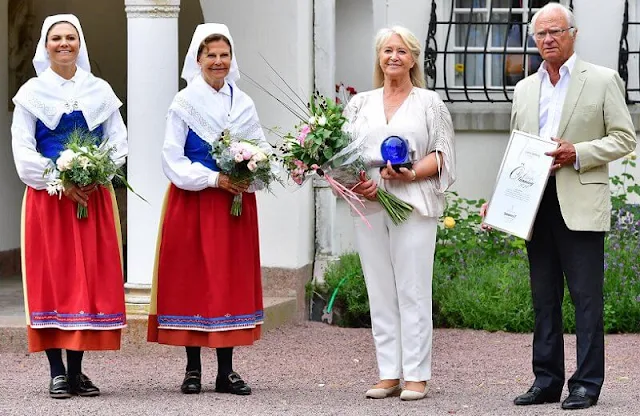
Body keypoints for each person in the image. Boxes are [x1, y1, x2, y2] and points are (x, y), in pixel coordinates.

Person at [482, 3, 636, 410]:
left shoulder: (602, 80)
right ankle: (546, 381)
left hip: (580, 200)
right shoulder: (524, 88)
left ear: (573, 33)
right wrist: (497, 200)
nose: (547, 39)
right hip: (534, 205)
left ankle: (586, 384)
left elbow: (625, 138)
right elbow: (516, 149)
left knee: (586, 298)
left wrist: (578, 152)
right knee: (543, 297)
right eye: (540, 34)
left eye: (555, 32)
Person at [11, 14, 128, 399]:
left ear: (81, 44)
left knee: (86, 282)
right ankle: (56, 371)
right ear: (45, 46)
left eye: (71, 38)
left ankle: (77, 371)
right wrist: (60, 179)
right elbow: (23, 151)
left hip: (92, 198)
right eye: (57, 38)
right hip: (49, 201)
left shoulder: (99, 90)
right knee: (53, 281)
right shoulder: (31, 93)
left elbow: (118, 140)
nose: (64, 44)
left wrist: (95, 174)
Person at [147, 23, 267, 396]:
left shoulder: (243, 102)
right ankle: (193, 368)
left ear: (232, 59)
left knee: (228, 281)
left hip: (234, 204)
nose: (218, 62)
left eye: (223, 55)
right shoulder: (184, 103)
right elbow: (171, 156)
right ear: (197, 59)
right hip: (195, 200)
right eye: (210, 55)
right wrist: (213, 179)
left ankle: (226, 371)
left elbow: (260, 146)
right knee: (194, 278)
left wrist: (254, 171)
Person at [344, 26, 456, 401]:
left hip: (414, 204)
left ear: (413, 58)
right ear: (379, 57)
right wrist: (359, 182)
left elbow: (443, 154)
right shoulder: (359, 104)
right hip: (370, 204)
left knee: (412, 289)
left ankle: (417, 375)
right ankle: (388, 372)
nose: (393, 56)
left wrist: (410, 173)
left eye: (401, 51)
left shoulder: (429, 103)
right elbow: (341, 157)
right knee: (379, 289)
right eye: (387, 50)